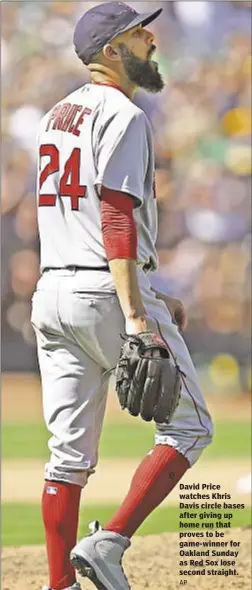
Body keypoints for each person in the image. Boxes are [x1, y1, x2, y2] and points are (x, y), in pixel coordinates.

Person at [31, 3, 213, 590]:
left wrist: (148, 286)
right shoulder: (125, 115)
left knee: (67, 456)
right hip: (107, 291)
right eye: (139, 33)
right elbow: (114, 217)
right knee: (190, 430)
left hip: (53, 290)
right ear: (113, 51)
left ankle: (58, 583)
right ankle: (108, 545)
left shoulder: (55, 114)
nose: (151, 39)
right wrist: (138, 314)